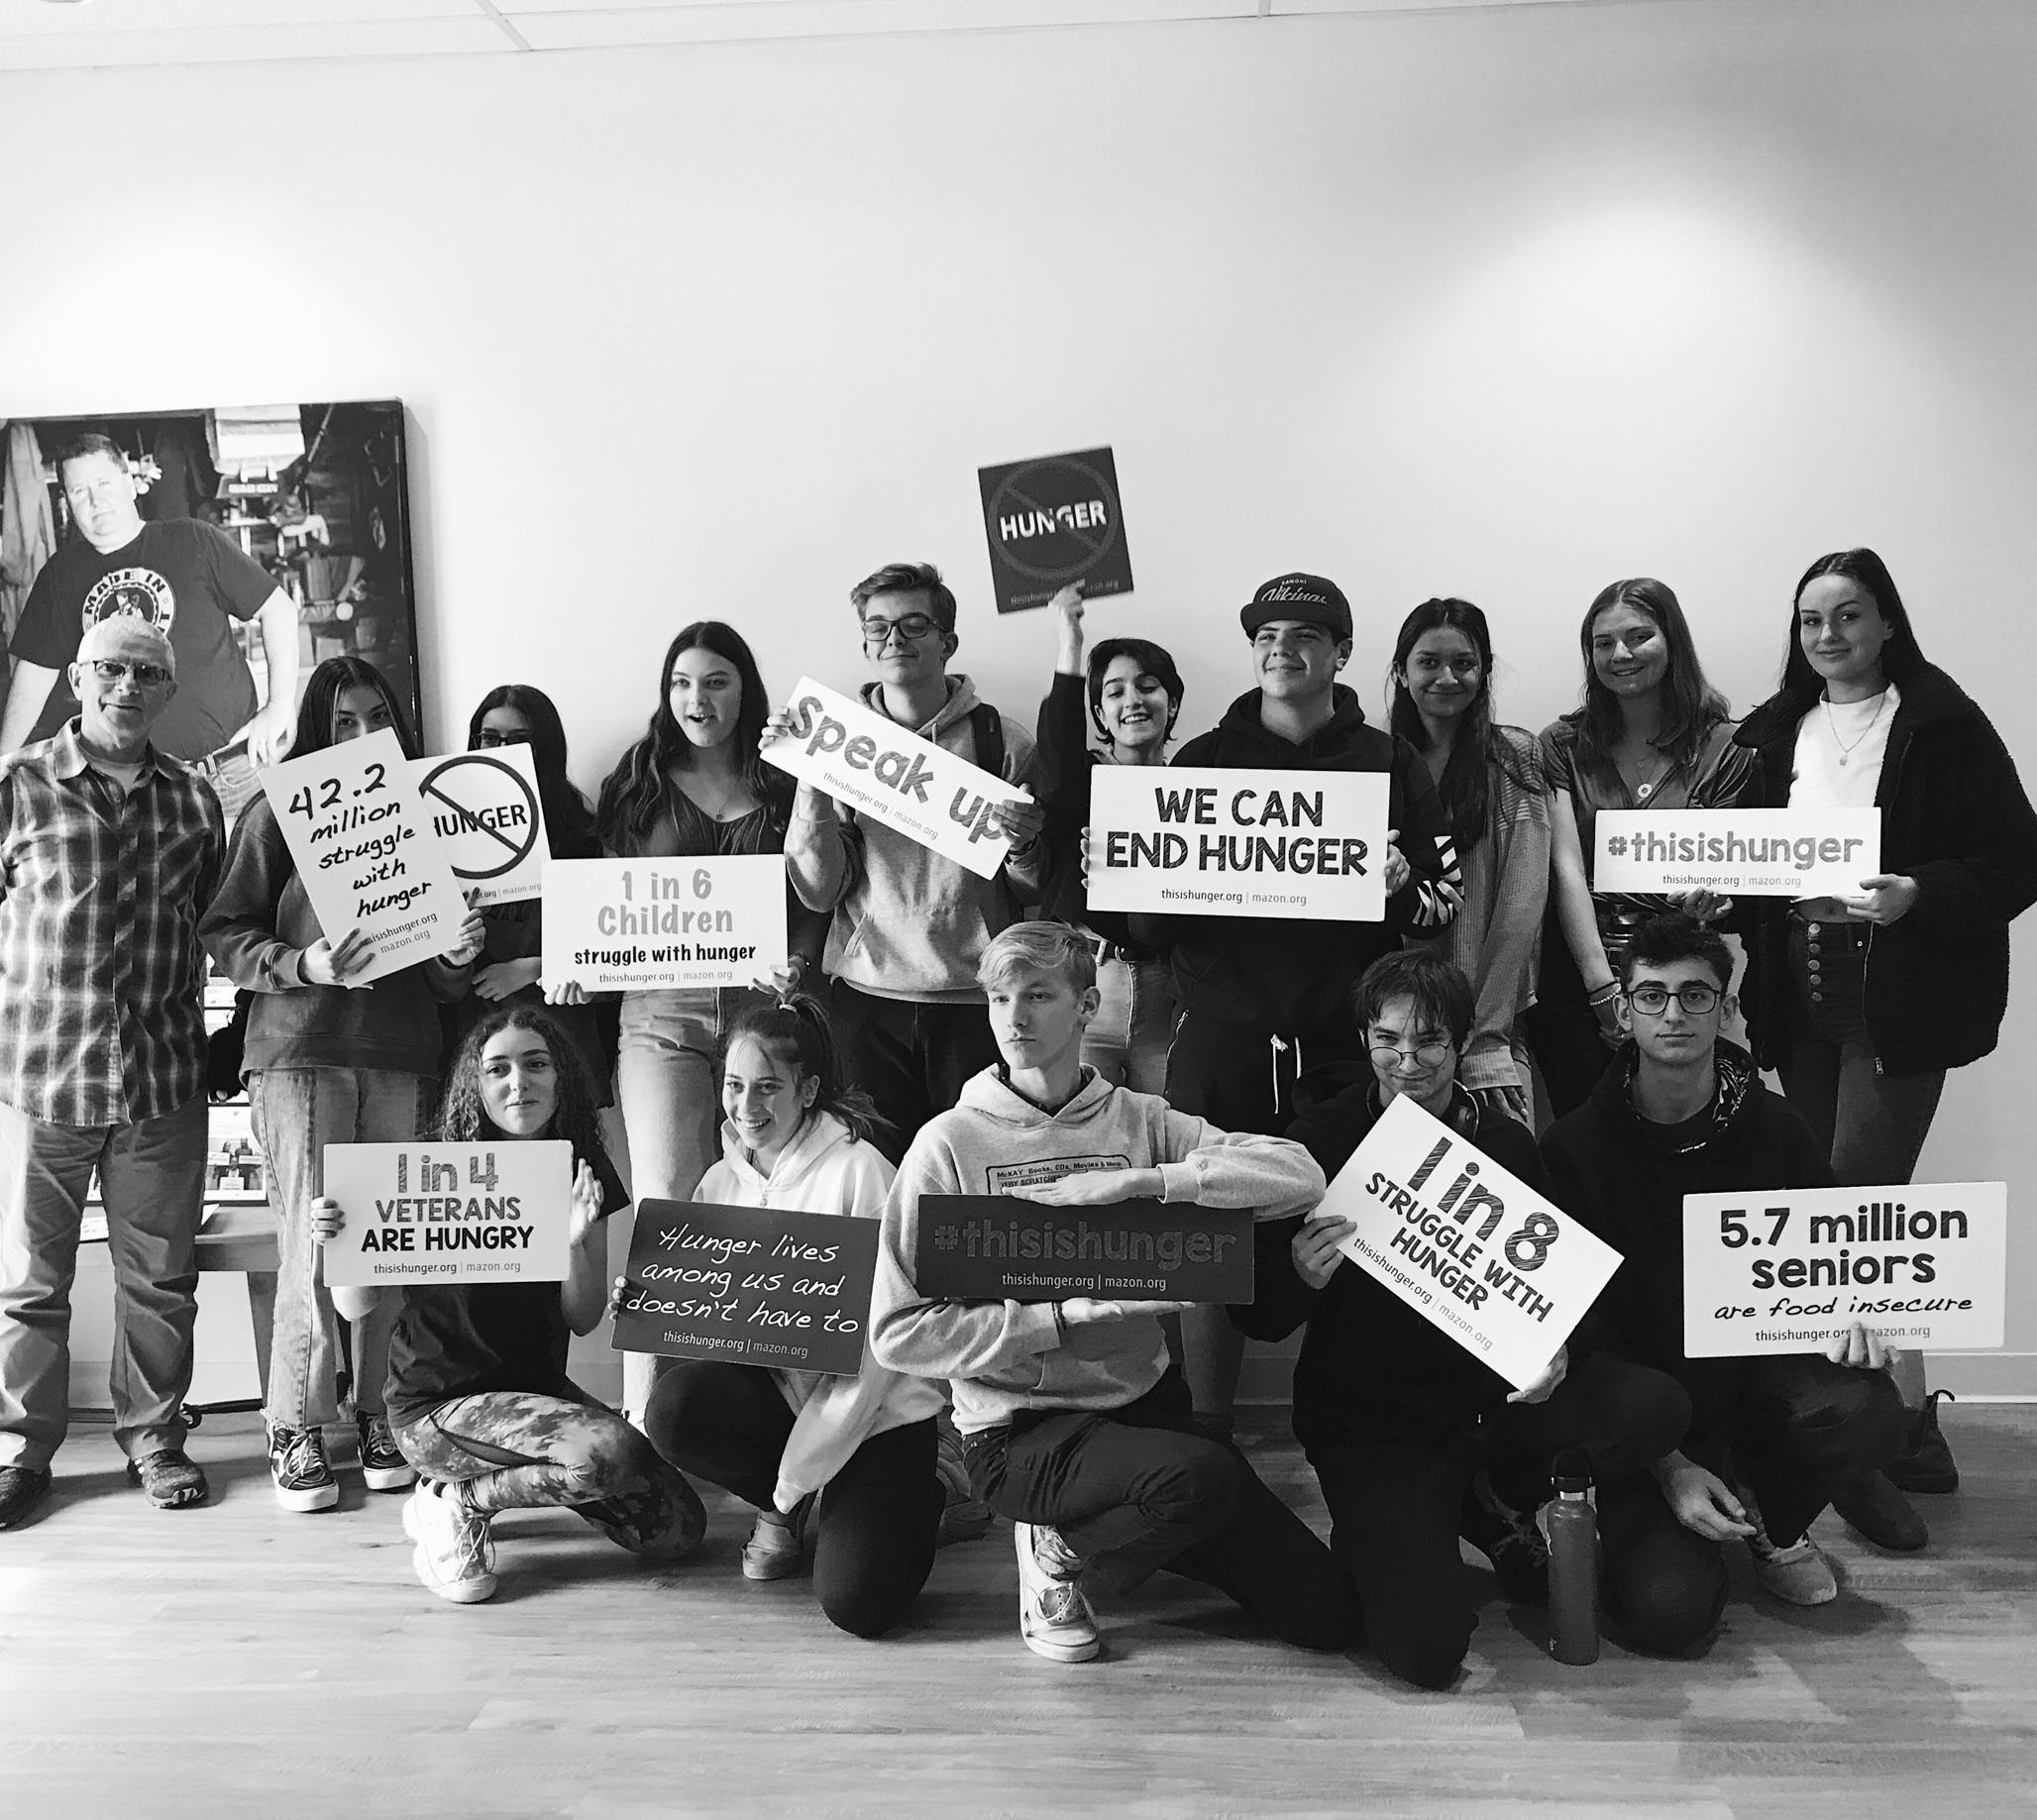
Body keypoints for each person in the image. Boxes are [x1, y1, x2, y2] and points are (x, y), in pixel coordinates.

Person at [869, 921, 1357, 1665]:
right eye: (1000, 998)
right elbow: (898, 1332)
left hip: (1142, 1408)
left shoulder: (1140, 1120)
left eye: (1038, 995)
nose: (1015, 1017)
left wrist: (1149, 1180)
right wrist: (1054, 1319)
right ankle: (1057, 1546)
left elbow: (1299, 1175)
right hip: (1021, 1433)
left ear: (1088, 1003)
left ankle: (1134, 1524)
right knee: (1201, 1475)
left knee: (1324, 1611)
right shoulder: (947, 1144)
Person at [1734, 548, 2037, 1551]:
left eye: (1847, 616)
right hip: (1801, 986)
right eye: (1811, 619)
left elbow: (2015, 856)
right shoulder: (1773, 727)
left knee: (1851, 1215)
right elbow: (1743, 858)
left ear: (1885, 623)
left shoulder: (1942, 722)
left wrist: (1920, 892)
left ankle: (1865, 1449)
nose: (1828, 635)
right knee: (1823, 1209)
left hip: (1898, 993)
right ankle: (1883, 1427)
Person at [1149, 572, 1462, 1434]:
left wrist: (1403, 888)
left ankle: (1362, 1422)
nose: (1280, 650)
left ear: (1341, 652)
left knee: (1355, 1224)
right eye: (1265, 637)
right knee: (1206, 1235)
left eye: (1303, 636)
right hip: (1224, 1036)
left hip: (1342, 1042)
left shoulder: (1389, 760)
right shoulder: (1204, 761)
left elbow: (1448, 901)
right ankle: (1209, 1428)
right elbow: (1148, 922)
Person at [1540, 913, 1908, 1647]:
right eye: (1652, 995)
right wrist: (1667, 1465)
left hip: (1752, 1390)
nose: (1673, 1013)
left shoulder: (1777, 1129)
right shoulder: (1572, 1148)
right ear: (1624, 1010)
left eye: (1695, 995)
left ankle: (1769, 1513)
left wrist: (1858, 1320)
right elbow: (1576, 1338)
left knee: (1865, 1401)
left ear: (1726, 1006)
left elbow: (1828, 1269)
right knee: (1670, 1619)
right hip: (1645, 1413)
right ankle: (1668, 1503)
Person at [1232, 951, 1577, 1686]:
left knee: (1643, 1408)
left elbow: (1555, 1295)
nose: (1408, 1060)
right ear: (1364, 1039)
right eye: (1389, 1039)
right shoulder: (1315, 1144)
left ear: (1460, 1043)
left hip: (1484, 1414)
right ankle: (1424, 1522)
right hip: (1371, 1422)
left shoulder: (1507, 1145)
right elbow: (1254, 1316)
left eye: (1430, 1041)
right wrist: (1296, 1278)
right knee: (1426, 1649)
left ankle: (1481, 1505)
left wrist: (1554, 1351)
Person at [200, 656, 484, 1514]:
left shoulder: (428, 815)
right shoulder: (278, 810)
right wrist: (301, 961)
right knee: (313, 1242)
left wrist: (457, 956)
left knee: (393, 1244)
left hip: (403, 1051)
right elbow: (223, 932)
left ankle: (377, 1413)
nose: (362, 735)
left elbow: (441, 978)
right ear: (319, 728)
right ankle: (293, 1420)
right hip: (301, 1051)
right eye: (344, 720)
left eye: (376, 718)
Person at [313, 1007, 706, 1603]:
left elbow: (582, 1316)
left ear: (559, 1078)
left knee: (676, 1530)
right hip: (435, 1409)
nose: (518, 1082)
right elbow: (354, 1306)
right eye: (498, 1069)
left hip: (535, 1395)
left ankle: (479, 1490)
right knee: (607, 1453)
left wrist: (576, 1242)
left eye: (536, 1064)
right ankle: (454, 1502)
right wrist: (337, 1238)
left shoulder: (578, 1167)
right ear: (477, 1084)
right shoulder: (427, 1166)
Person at [0, 618, 226, 1528]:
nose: (126, 685)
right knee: (27, 1280)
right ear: (79, 678)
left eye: (146, 673)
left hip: (162, 1080)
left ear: (167, 690)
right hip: (40, 1078)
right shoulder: (18, 786)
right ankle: (20, 1451)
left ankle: (154, 1440)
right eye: (109, 669)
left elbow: (213, 920)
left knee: (160, 1280)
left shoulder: (197, 802)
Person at [640, 997, 945, 1638]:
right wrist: (656, 1294)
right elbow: (712, 1329)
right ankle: (795, 1505)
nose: (747, 1106)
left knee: (858, 1604)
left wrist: (799, 1473)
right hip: (784, 1403)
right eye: (734, 1085)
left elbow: (880, 1356)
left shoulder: (861, 1171)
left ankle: (918, 1493)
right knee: (671, 1407)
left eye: (768, 1087)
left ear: (807, 1090)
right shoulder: (720, 1184)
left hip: (874, 1418)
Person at [596, 623, 827, 1419]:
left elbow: (817, 892)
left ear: (746, 689)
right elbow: (600, 904)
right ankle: (643, 1419)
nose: (700, 699)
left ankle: (751, 1419)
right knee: (667, 1206)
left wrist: (797, 965)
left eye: (718, 681)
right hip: (659, 1013)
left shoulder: (782, 779)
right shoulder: (638, 781)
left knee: (754, 1210)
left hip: (759, 1015)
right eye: (684, 683)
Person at [777, 562, 1046, 1162]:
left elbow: (1030, 891)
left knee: (975, 1177)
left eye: (913, 624)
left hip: (980, 996)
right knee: (878, 1177)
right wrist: (810, 776)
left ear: (947, 641)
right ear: (866, 645)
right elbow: (820, 892)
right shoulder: (836, 739)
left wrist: (1026, 844)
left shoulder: (1003, 739)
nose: (894, 639)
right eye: (878, 628)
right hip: (869, 997)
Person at [1532, 579, 1755, 1121]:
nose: (1621, 655)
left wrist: (1718, 901)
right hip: (1578, 976)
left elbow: (1725, 869)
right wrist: (1603, 990)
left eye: (1639, 636)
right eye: (1603, 643)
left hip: (1682, 977)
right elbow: (1566, 870)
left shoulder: (1730, 744)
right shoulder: (1561, 743)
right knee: (1586, 1143)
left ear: (1672, 640)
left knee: (1683, 1130)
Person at [2, 432, 300, 768]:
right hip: (139, 792)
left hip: (235, 765)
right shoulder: (59, 576)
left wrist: (279, 705)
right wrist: (3, 761)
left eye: (103, 483)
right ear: (67, 504)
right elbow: (32, 678)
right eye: (79, 491)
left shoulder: (193, 539)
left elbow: (279, 610)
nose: (95, 500)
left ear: (130, 484)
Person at [1386, 598, 1551, 1124]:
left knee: (1501, 1184)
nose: (1447, 677)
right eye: (1429, 662)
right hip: (1390, 1036)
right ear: (1402, 671)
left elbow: (1522, 904)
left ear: (1484, 671)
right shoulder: (1372, 761)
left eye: (1464, 662)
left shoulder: (1513, 756)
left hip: (1486, 1026)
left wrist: (1486, 1038)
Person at [1030, 582, 1183, 1095]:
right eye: (1114, 692)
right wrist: (1069, 646)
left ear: (1173, 703)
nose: (1133, 701)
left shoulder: (1201, 788)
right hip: (1087, 975)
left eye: (1148, 687)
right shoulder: (1080, 779)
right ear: (1097, 714)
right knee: (1081, 1120)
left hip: (1171, 986)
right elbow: (1054, 756)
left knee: (1162, 1130)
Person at [443, 684, 611, 1095]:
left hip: (557, 1033)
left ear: (545, 746)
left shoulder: (579, 830)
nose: (501, 749)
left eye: (519, 740)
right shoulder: (444, 823)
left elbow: (609, 942)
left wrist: (532, 967)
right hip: (472, 1034)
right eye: (489, 738)